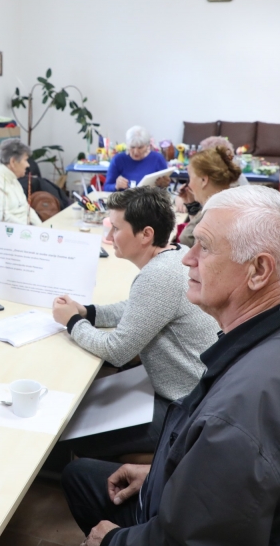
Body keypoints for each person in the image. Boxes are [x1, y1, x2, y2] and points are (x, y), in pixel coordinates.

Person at [62, 186, 280, 546]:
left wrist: (112, 541)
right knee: (82, 474)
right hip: (254, 513)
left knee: (77, 474)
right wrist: (162, 475)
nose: (187, 258)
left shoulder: (236, 418)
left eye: (205, 246)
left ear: (259, 270)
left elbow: (187, 540)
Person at [51, 187, 219, 457]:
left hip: (185, 410)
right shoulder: (175, 253)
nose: (109, 237)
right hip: (197, 394)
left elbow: (116, 351)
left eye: (116, 229)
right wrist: (88, 313)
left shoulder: (158, 275)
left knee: (65, 433)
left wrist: (71, 322)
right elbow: (141, 307)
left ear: (146, 234)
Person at [179, 146, 242, 248]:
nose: (189, 185)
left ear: (204, 180)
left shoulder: (216, 214)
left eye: (190, 178)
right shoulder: (225, 203)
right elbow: (194, 231)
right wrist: (191, 205)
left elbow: (191, 244)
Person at [104, 126, 169, 192]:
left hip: (150, 198)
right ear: (127, 145)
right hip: (125, 198)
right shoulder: (118, 160)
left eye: (140, 147)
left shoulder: (158, 159)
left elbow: (166, 188)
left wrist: (163, 185)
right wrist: (116, 186)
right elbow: (106, 187)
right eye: (132, 147)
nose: (136, 152)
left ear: (147, 146)